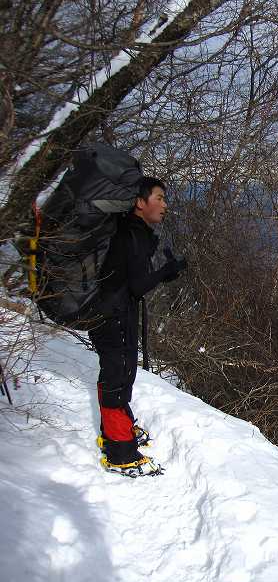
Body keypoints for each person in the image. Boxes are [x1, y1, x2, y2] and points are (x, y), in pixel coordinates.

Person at [90, 177, 187, 476]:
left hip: (112, 314)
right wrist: (166, 271)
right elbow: (136, 284)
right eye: (159, 198)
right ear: (139, 202)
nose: (165, 205)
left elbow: (130, 280)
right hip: (113, 317)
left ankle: (118, 429)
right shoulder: (131, 235)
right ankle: (120, 452)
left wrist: (164, 274)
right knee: (117, 379)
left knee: (118, 374)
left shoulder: (130, 231)